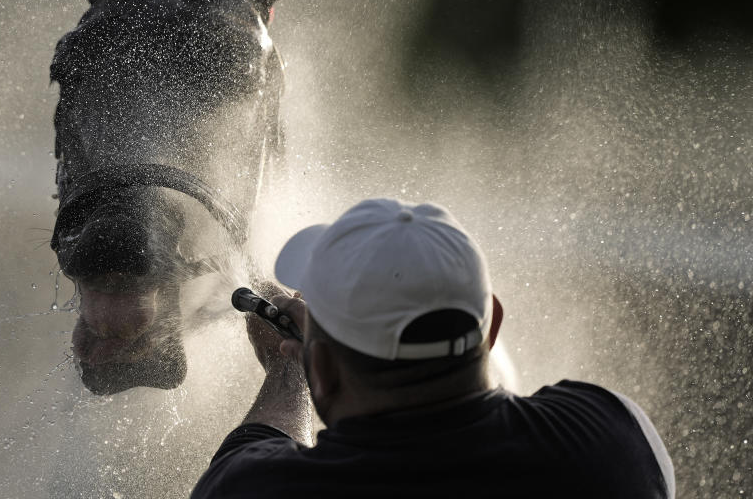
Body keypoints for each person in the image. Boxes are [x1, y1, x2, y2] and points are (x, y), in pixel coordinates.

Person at [191, 198, 675, 498]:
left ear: (322, 366)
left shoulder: (252, 489)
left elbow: (249, 459)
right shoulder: (613, 441)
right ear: (493, 326)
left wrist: (286, 369)